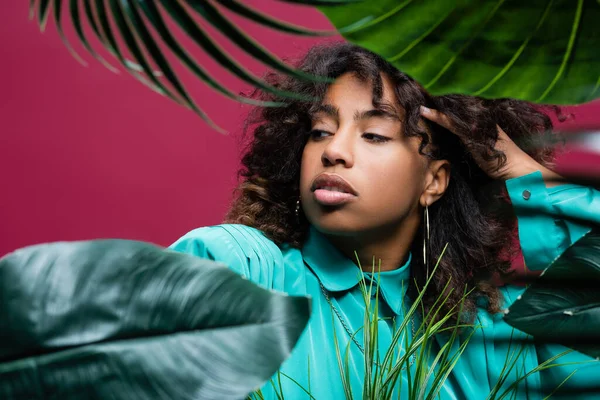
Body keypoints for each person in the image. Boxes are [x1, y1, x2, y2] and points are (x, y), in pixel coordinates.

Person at [170, 42, 600, 399]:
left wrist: (524, 175)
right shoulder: (237, 268)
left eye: (374, 135)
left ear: (434, 181)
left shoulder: (479, 345)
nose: (334, 150)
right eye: (320, 130)